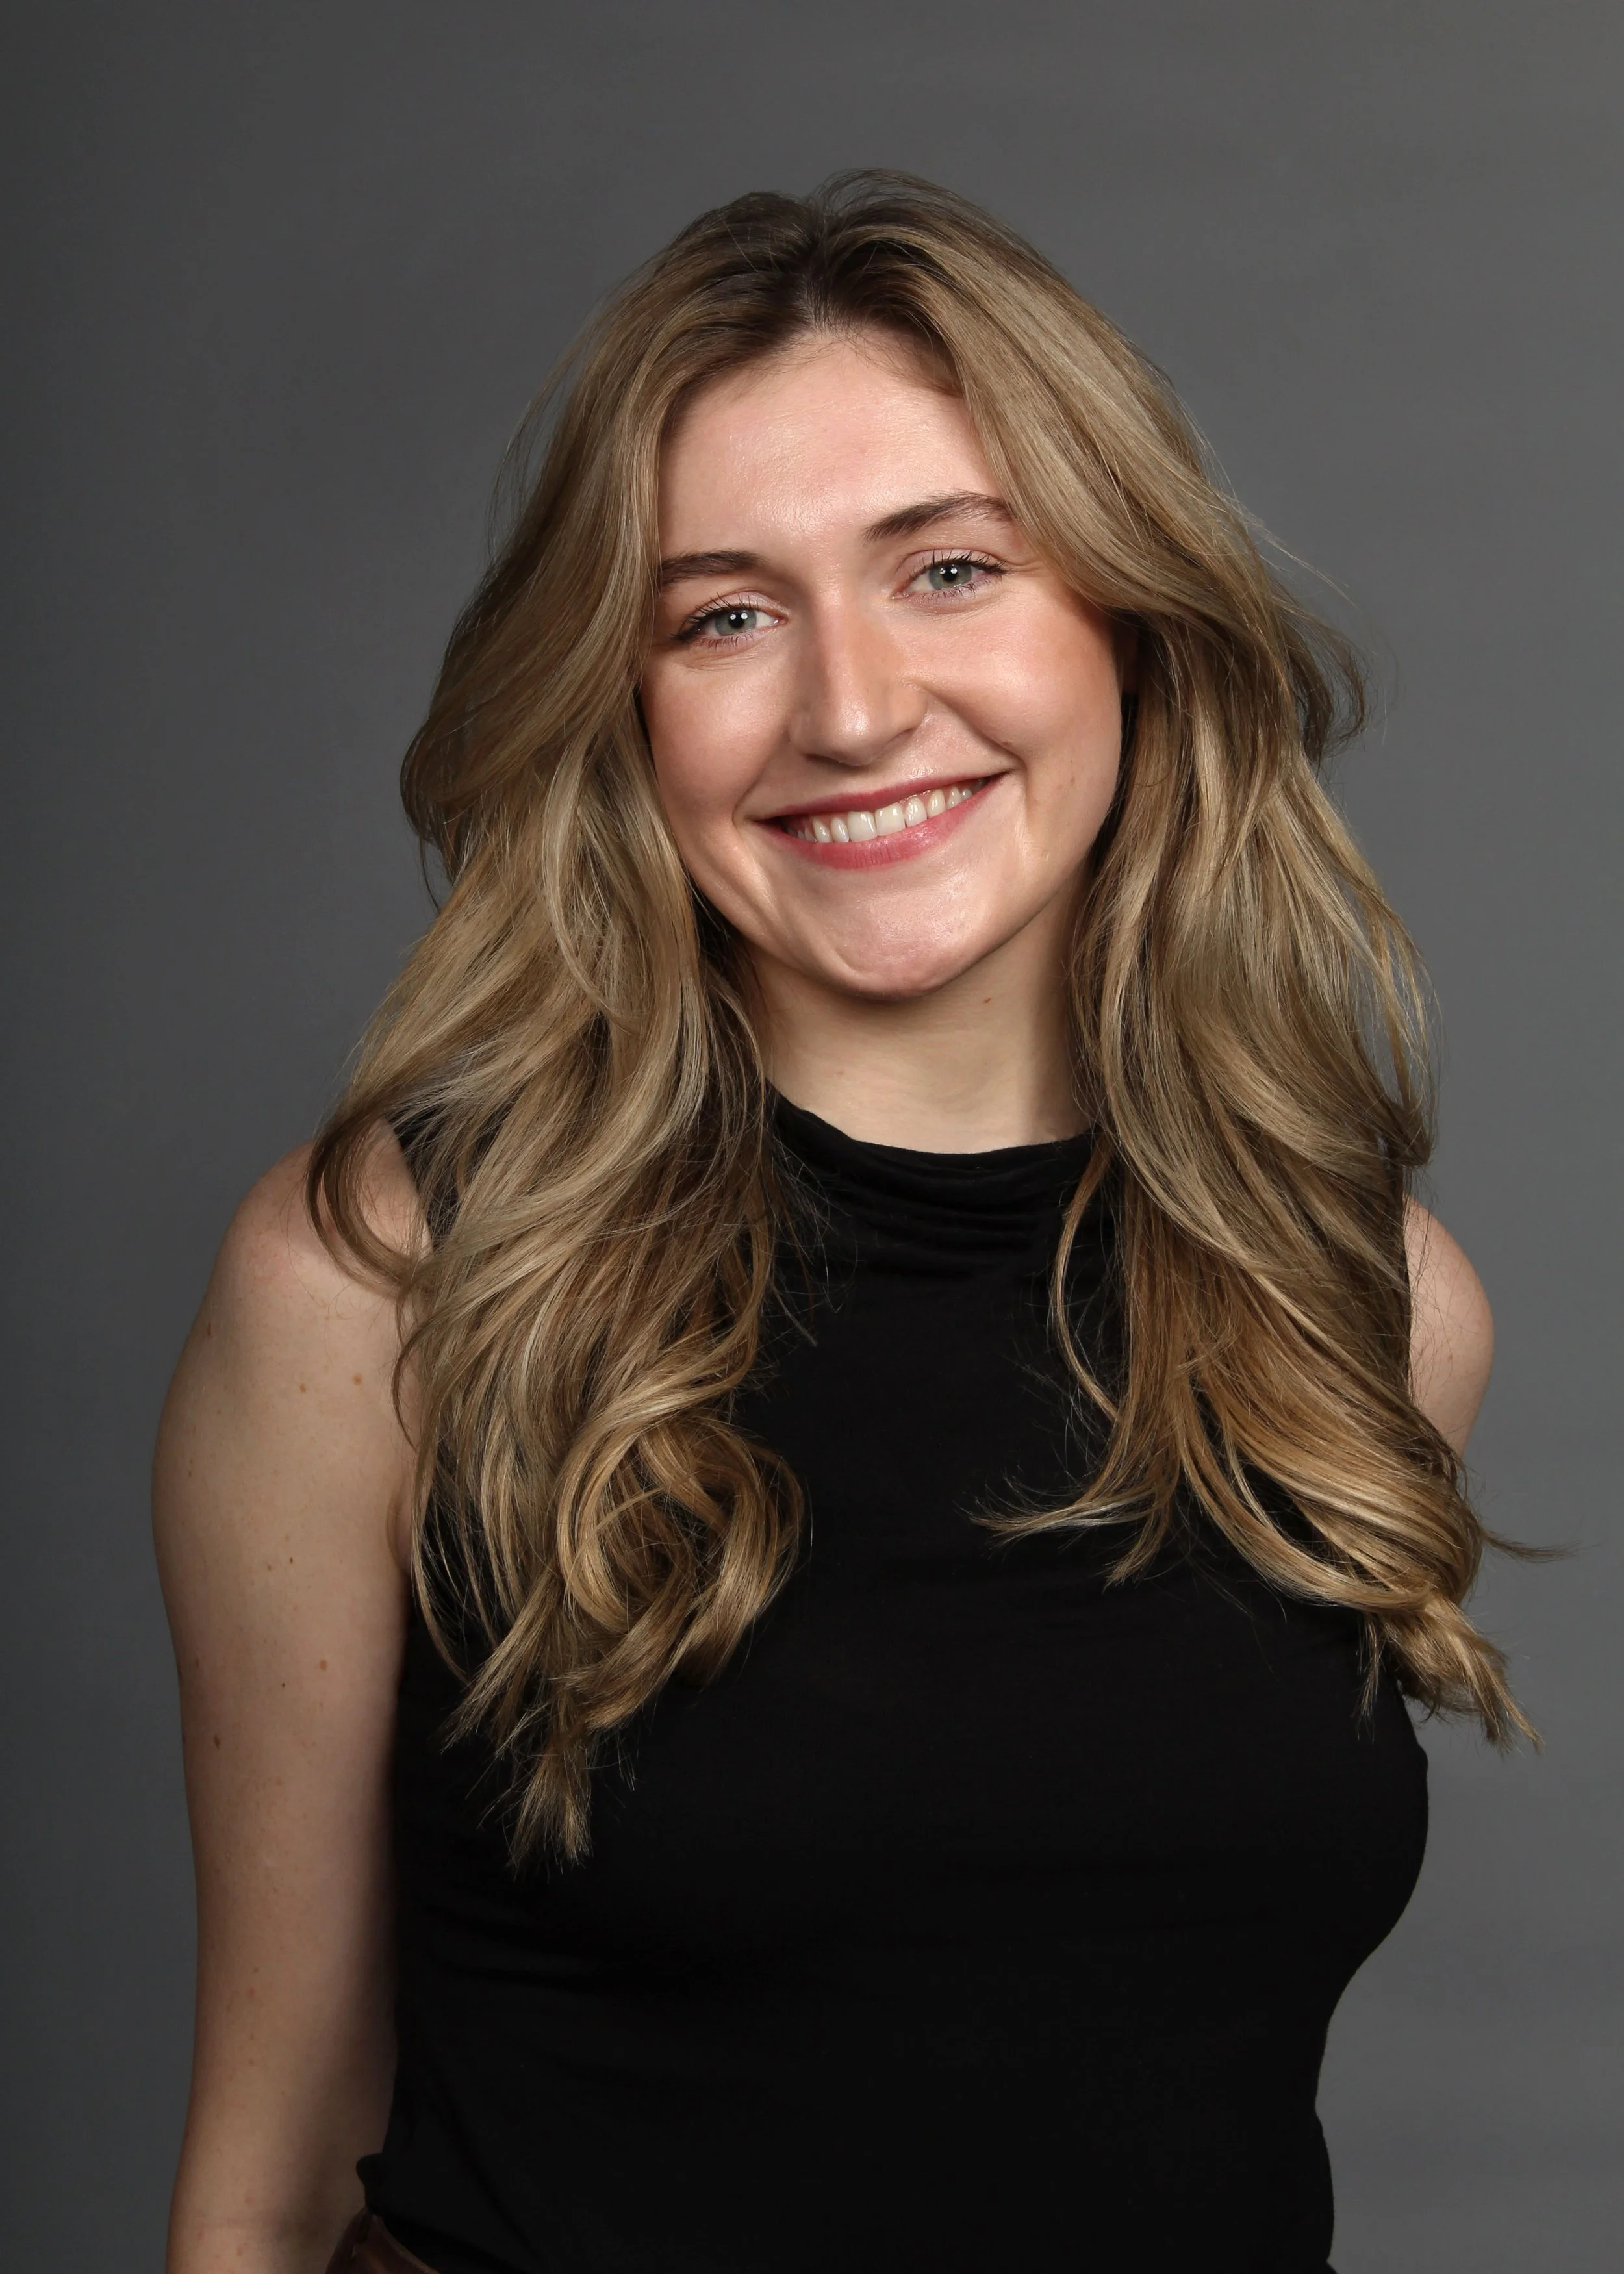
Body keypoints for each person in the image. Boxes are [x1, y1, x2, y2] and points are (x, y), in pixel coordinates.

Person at [154, 172, 1517, 2274]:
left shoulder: (1357, 1306)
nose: (855, 709)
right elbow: (265, 2182)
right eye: (723, 616)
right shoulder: (391, 1284)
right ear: (623, 707)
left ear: (1130, 617)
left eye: (949, 568)